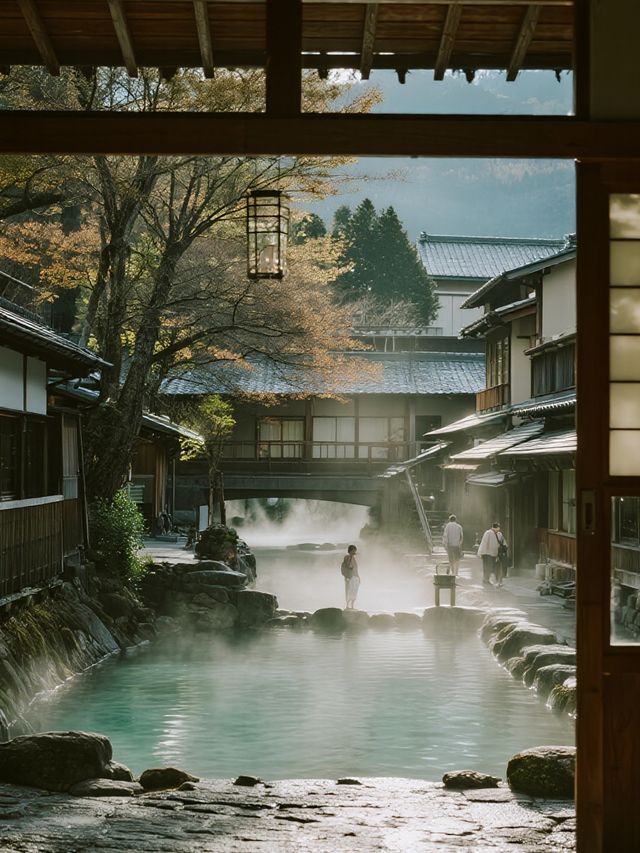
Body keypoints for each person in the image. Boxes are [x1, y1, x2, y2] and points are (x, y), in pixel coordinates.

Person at [477, 522, 508, 587]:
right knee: (487, 567)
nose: (499, 529)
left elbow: (503, 542)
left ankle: (489, 579)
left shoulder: (499, 534)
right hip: (487, 553)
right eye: (498, 527)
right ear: (497, 527)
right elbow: (485, 543)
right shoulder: (488, 533)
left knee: (491, 567)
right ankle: (486, 579)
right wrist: (482, 553)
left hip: (494, 553)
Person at [341, 544, 360, 609]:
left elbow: (355, 568)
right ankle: (347, 605)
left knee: (354, 591)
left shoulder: (353, 558)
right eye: (354, 550)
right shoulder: (347, 557)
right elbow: (348, 566)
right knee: (349, 590)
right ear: (350, 550)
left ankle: (352, 606)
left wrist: (358, 577)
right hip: (349, 577)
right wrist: (351, 557)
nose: (355, 552)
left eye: (355, 550)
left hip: (355, 576)